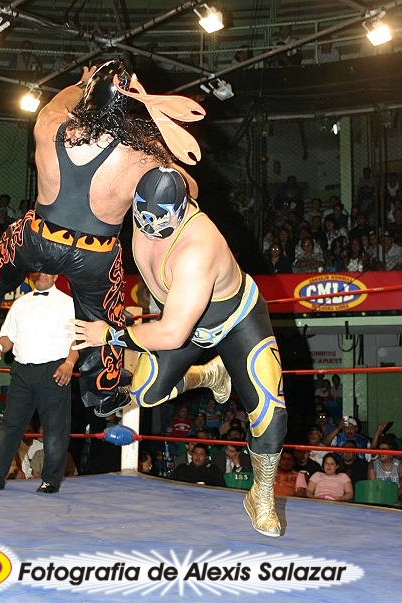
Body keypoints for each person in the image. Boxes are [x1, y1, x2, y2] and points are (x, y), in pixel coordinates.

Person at [0, 58, 204, 419]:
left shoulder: (50, 124)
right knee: (105, 318)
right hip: (96, 255)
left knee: (10, 249)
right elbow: (190, 190)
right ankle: (102, 393)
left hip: (41, 238)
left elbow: (60, 102)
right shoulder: (140, 155)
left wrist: (81, 82)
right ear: (126, 106)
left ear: (87, 96)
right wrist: (160, 153)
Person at [73, 167, 287, 537]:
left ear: (182, 207)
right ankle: (210, 374)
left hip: (235, 320)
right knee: (145, 393)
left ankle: (261, 495)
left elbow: (172, 335)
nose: (148, 227)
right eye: (142, 217)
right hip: (182, 317)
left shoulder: (197, 248)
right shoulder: (137, 204)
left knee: (270, 413)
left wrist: (108, 334)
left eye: (159, 221)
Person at [0, 272, 78, 494]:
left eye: (47, 272)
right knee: (10, 425)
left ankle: (51, 480)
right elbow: (8, 337)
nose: (42, 275)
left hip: (54, 370)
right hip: (22, 371)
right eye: (39, 271)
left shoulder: (68, 303)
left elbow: (78, 339)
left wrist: (70, 363)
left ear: (55, 276)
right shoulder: (20, 303)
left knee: (55, 428)